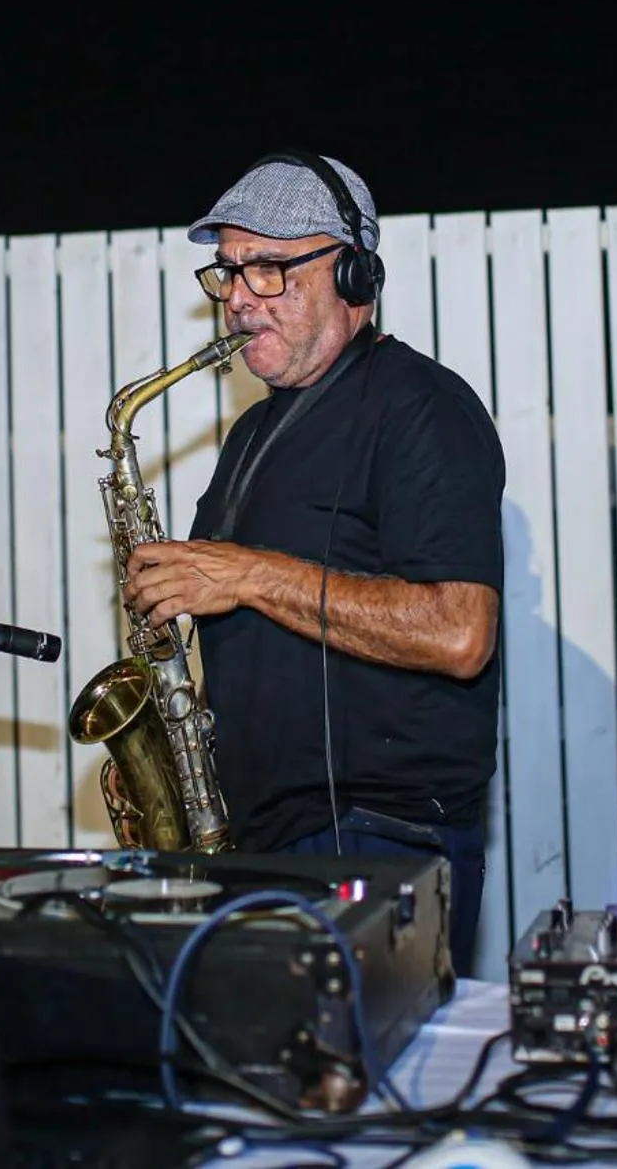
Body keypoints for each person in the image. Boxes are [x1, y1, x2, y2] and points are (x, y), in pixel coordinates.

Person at [120, 149, 506, 972]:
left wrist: (248, 574)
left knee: (371, 1097)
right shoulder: (253, 437)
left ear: (354, 273)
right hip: (264, 840)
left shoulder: (422, 408)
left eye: (267, 269)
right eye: (226, 273)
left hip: (382, 839)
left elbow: (459, 631)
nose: (237, 301)